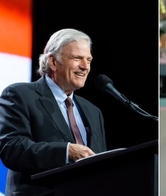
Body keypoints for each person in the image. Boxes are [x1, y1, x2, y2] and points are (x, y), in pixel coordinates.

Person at [0, 28, 107, 196]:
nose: (85, 66)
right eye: (77, 58)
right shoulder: (19, 95)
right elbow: (12, 149)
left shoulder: (93, 112)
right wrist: (66, 151)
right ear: (53, 62)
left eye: (89, 60)